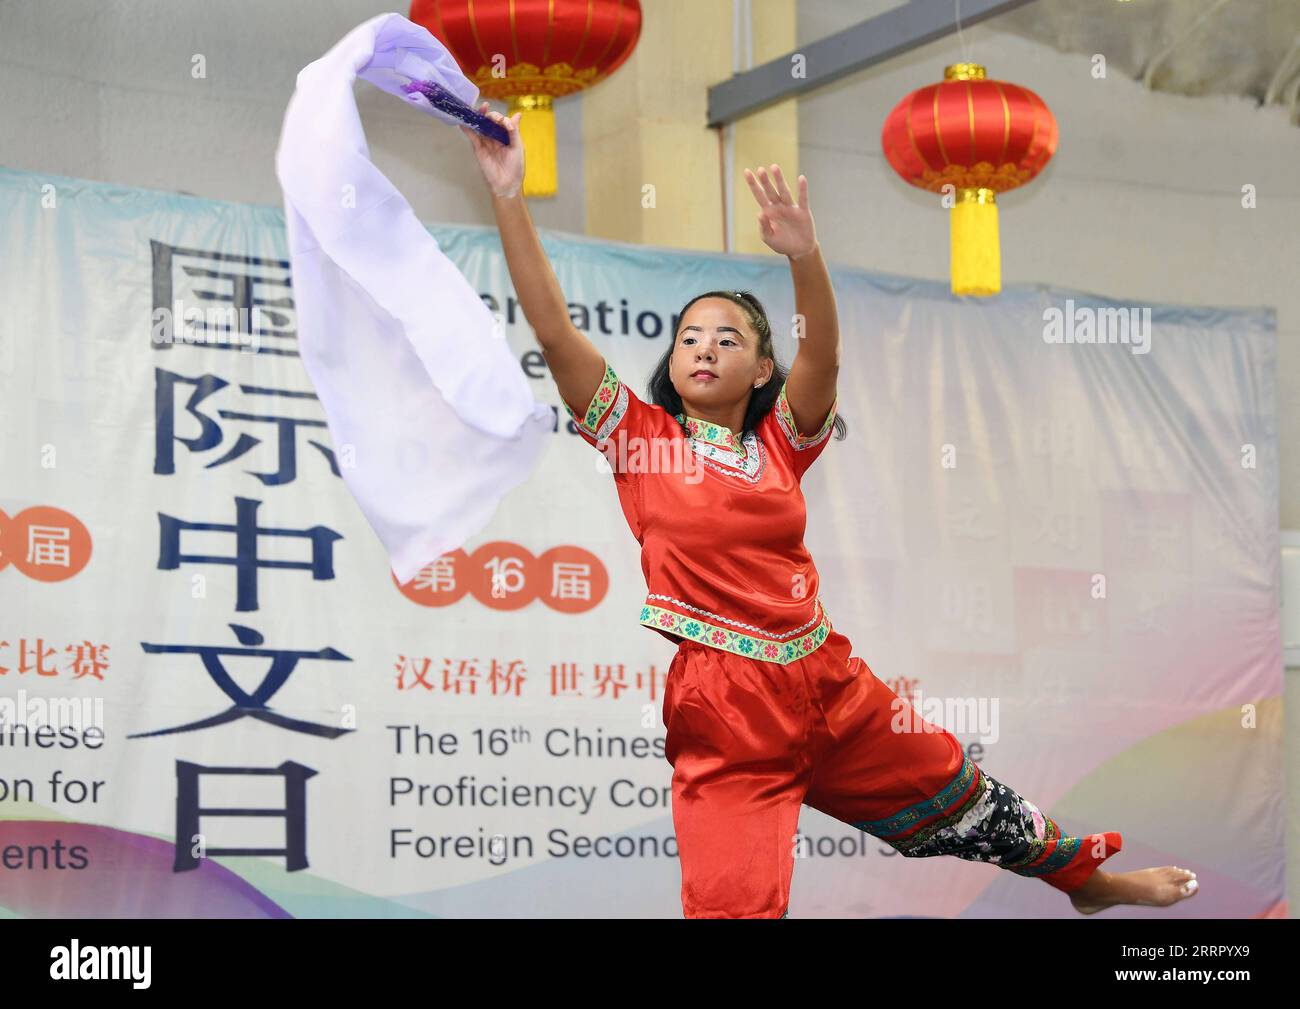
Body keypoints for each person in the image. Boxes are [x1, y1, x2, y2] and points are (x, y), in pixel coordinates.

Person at [461, 104, 1200, 919]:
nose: (704, 347)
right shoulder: (637, 437)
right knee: (732, 908)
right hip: (724, 711)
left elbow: (824, 354)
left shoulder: (782, 440)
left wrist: (804, 255)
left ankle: (1085, 882)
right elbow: (554, 327)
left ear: (760, 367)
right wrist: (507, 194)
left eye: (728, 338)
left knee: (967, 794)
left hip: (831, 681)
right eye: (690, 337)